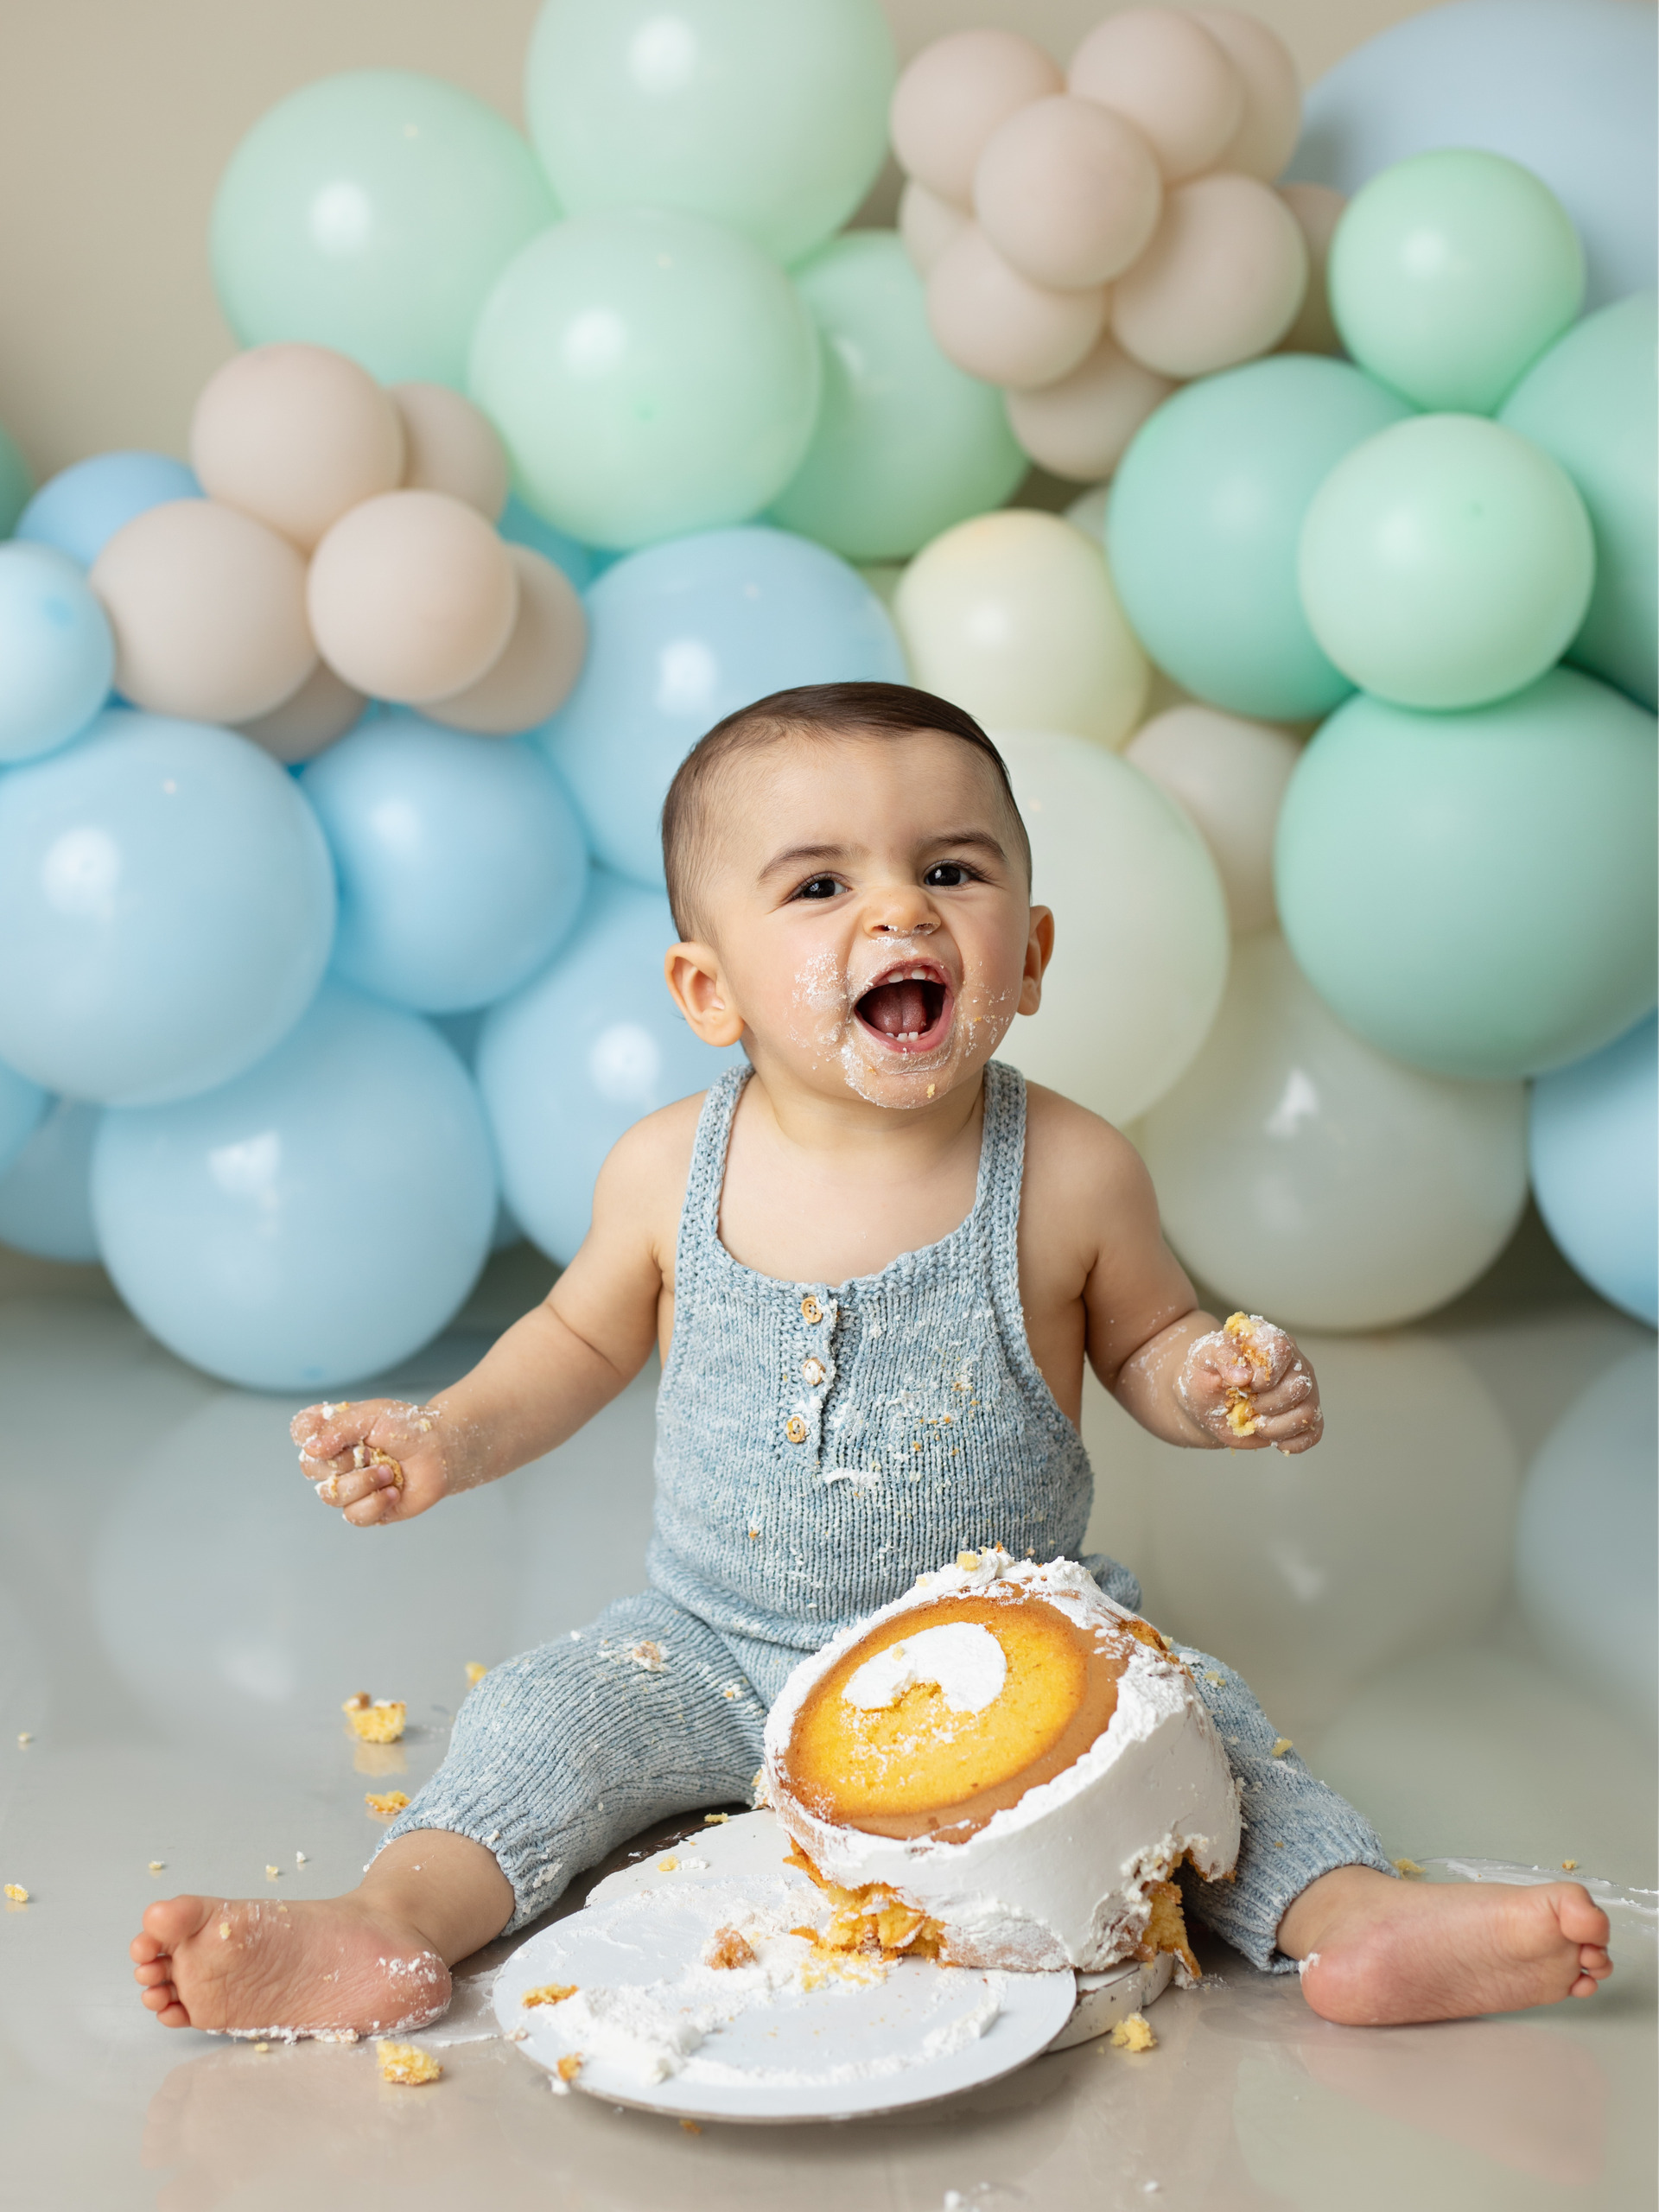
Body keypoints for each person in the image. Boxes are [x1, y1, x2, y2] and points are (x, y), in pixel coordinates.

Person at [130, 682, 1612, 2039]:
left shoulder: (1071, 1172)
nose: (900, 908)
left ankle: (1350, 1919)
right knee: (539, 1721)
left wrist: (1210, 1387)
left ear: (1030, 955)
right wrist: (451, 1435)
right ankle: (391, 1927)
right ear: (708, 989)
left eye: (952, 871)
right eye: (821, 885)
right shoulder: (666, 1170)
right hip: (711, 1646)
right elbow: (574, 1339)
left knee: (1203, 1733)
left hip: (1014, 1647)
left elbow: (1151, 1341)